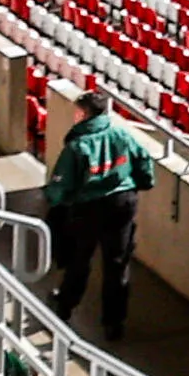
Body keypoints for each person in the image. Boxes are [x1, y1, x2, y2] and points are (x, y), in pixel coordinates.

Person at [42, 83, 157, 343]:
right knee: (117, 263)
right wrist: (142, 183)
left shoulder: (77, 146)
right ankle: (114, 323)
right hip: (122, 203)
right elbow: (142, 161)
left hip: (88, 207)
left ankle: (65, 306)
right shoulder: (121, 135)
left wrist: (55, 200)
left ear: (83, 115)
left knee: (79, 258)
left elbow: (61, 185)